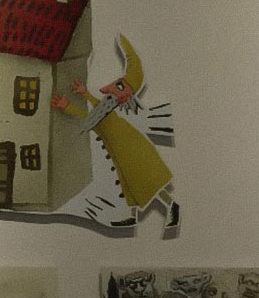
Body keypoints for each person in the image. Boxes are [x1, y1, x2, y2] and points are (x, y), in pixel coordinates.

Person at [50, 35, 179, 229]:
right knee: (129, 183)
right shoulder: (107, 106)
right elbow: (96, 111)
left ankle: (171, 206)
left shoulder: (108, 110)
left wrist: (68, 105)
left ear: (125, 95)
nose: (111, 88)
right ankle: (133, 216)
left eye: (120, 86)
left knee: (145, 181)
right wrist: (84, 93)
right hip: (121, 150)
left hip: (131, 150)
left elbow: (91, 116)